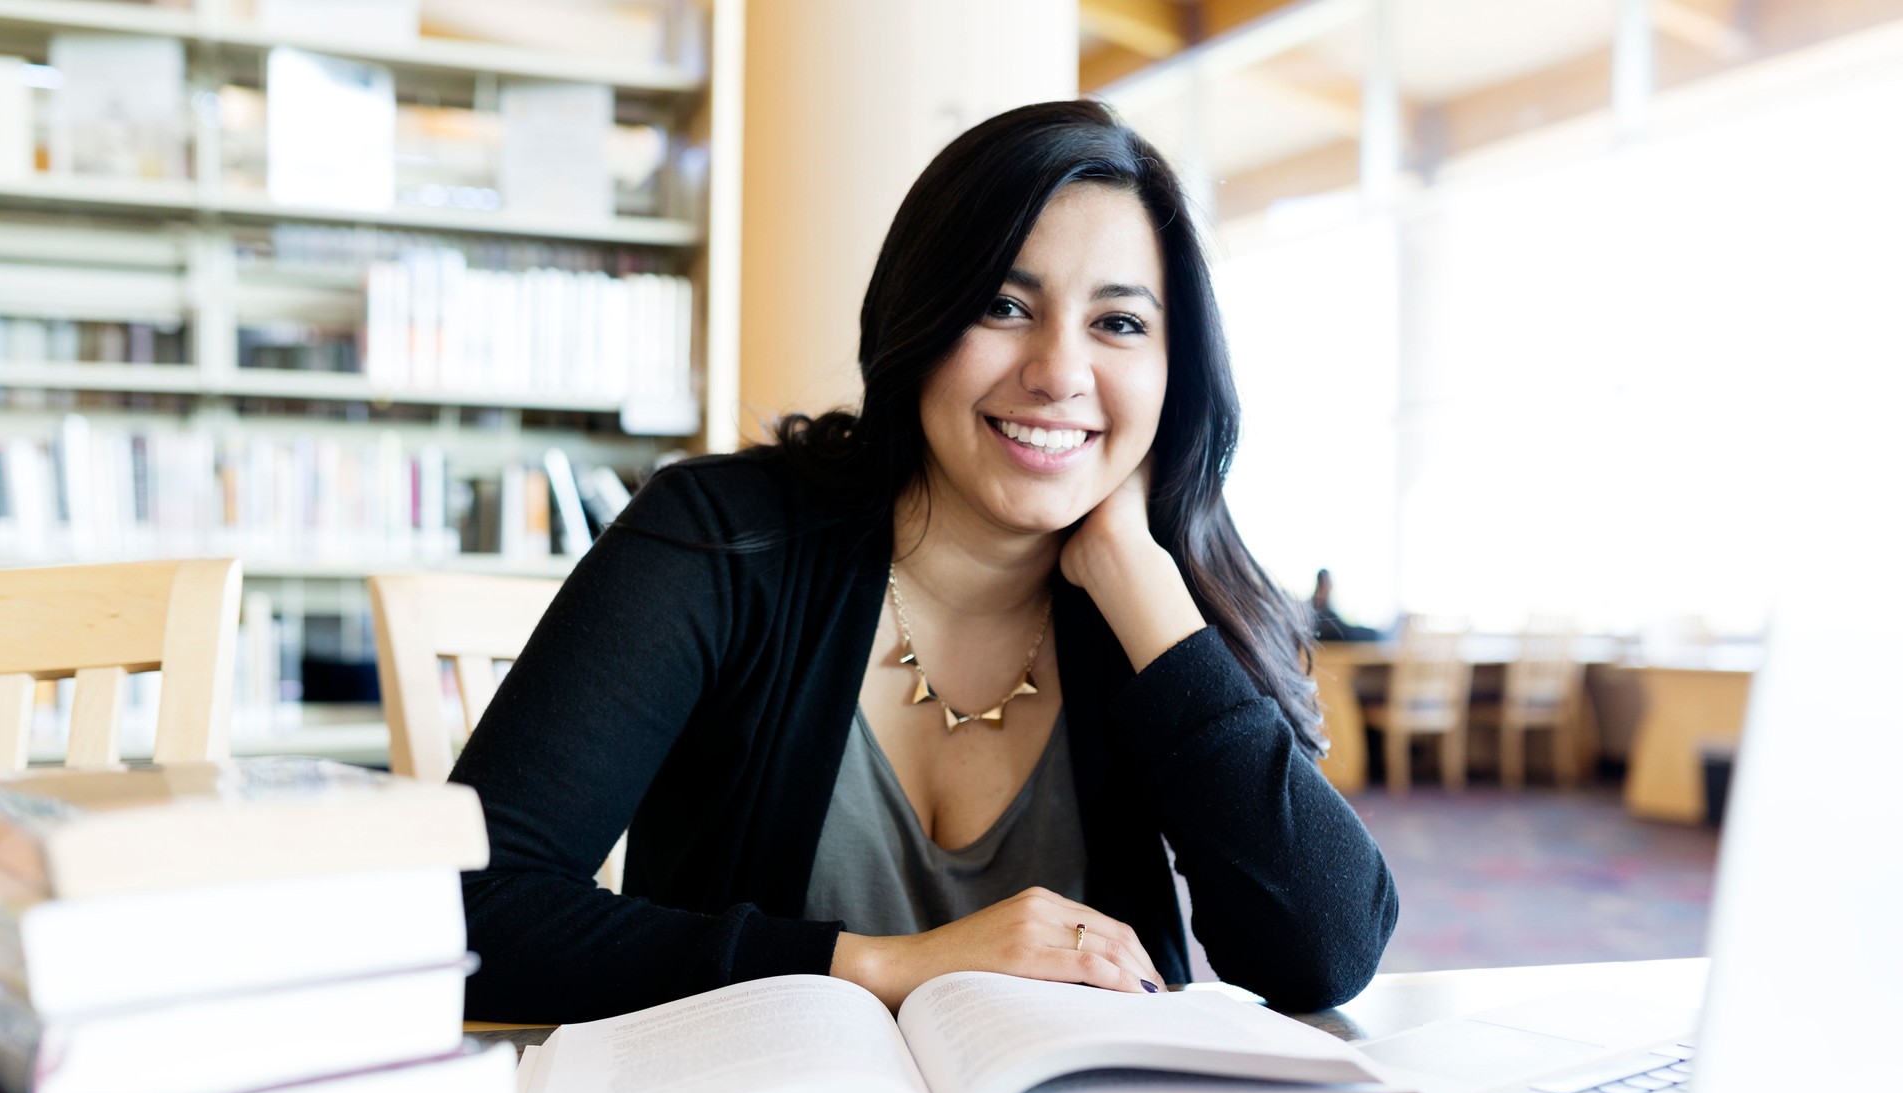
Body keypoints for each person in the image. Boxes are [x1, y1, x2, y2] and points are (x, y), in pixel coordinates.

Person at [452, 100, 1398, 1025]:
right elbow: (467, 914)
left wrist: (1135, 577)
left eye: (1119, 324)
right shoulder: (720, 538)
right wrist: (884, 966)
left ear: (1175, 373)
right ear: (918, 321)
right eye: (1003, 304)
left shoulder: (1151, 603)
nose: (1060, 372)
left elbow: (1325, 953)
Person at [1310, 568, 1383, 642]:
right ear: (1321, 584)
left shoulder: (1327, 608)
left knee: (1366, 633)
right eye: (1328, 584)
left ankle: (1378, 635)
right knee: (1363, 633)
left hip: (1339, 634)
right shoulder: (1312, 609)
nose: (1330, 588)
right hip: (1333, 635)